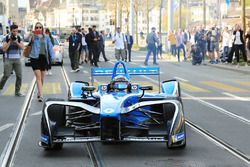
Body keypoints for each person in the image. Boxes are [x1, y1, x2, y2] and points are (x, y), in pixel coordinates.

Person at [28, 22, 55, 102]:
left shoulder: (46, 37)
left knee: (42, 78)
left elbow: (50, 47)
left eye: (40, 27)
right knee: (38, 77)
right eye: (36, 27)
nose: (38, 29)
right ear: (35, 28)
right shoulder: (33, 36)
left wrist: (52, 57)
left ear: (42, 28)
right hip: (34, 58)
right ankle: (41, 95)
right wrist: (31, 34)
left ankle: (39, 92)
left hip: (43, 58)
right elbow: (28, 40)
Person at [0, 24, 24, 96]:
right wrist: (10, 41)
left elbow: (22, 47)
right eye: (14, 31)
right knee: (6, 75)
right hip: (8, 59)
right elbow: (4, 49)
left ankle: (17, 91)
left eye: (16, 31)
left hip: (17, 59)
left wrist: (16, 42)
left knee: (19, 76)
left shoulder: (19, 37)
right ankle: (0, 87)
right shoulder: (6, 38)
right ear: (10, 31)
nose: (15, 33)